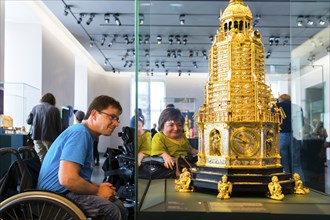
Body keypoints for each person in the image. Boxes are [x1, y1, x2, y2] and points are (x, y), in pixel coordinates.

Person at [37, 95, 127, 220]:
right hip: (56, 197)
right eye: (112, 117)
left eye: (117, 119)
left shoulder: (85, 133)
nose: (116, 123)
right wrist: (97, 191)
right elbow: (68, 179)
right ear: (94, 114)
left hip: (63, 193)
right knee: (112, 210)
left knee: (118, 205)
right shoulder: (80, 133)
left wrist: (98, 187)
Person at [149, 107, 198, 178]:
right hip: (172, 168)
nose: (176, 128)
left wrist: (197, 152)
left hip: (186, 164)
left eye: (179, 125)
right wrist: (165, 156)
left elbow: (189, 149)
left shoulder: (182, 136)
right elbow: (158, 151)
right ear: (162, 126)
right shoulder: (159, 137)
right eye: (171, 125)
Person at [276, 94, 304, 181]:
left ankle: (286, 181)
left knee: (283, 161)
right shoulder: (297, 107)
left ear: (280, 99)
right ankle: (299, 183)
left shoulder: (277, 106)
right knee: (296, 162)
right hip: (295, 136)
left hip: (281, 135)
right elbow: (301, 123)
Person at [27, 93, 62, 162]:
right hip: (50, 138)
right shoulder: (55, 110)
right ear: (52, 101)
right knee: (52, 158)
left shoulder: (35, 108)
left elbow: (28, 121)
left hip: (37, 137)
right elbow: (59, 127)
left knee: (41, 158)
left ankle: (42, 172)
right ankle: (49, 172)